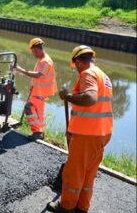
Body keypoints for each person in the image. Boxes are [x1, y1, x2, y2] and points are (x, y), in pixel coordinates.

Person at [47, 45, 113, 213]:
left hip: (86, 135)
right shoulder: (104, 76)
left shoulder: (88, 74)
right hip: (102, 133)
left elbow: (90, 98)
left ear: (78, 61)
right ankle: (82, 207)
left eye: (75, 65)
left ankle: (66, 206)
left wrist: (67, 96)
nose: (76, 69)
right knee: (89, 173)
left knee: (74, 171)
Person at [15, 38, 57, 140]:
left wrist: (21, 70)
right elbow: (39, 78)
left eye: (33, 52)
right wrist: (32, 86)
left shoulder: (46, 61)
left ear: (36, 49)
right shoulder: (41, 60)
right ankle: (41, 132)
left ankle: (37, 132)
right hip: (38, 92)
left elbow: (38, 75)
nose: (33, 54)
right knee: (39, 113)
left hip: (41, 93)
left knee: (28, 107)